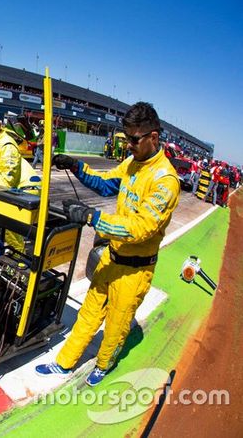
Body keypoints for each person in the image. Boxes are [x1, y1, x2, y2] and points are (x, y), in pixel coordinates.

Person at [35, 102, 180, 387]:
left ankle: (104, 365)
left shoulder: (166, 181)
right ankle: (64, 364)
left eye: (134, 139)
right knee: (89, 314)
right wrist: (76, 166)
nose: (128, 145)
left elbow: (140, 228)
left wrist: (92, 216)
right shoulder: (131, 164)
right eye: (126, 138)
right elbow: (105, 184)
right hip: (110, 258)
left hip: (134, 272)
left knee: (115, 327)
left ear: (153, 137)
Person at [0, 111, 38, 256]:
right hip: (13, 189)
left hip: (25, 191)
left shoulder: (6, 145)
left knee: (11, 229)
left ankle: (19, 262)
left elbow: (7, 180)